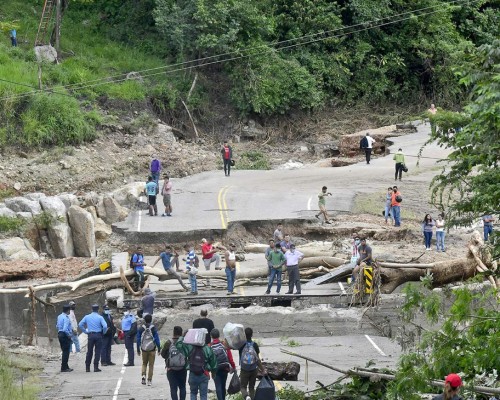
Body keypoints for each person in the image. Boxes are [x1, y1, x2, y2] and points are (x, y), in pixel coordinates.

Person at [175, 330, 217, 400]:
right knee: (203, 395)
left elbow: (178, 345)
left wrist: (182, 336)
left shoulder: (190, 347)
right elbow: (213, 362)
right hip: (204, 374)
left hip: (193, 373)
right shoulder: (207, 348)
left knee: (193, 393)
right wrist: (213, 372)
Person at [78, 304, 108, 372]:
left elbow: (80, 324)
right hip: (98, 335)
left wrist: (85, 331)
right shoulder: (100, 317)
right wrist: (104, 332)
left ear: (92, 309)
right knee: (97, 351)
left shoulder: (87, 317)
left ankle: (87, 367)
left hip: (90, 335)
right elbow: (105, 326)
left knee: (89, 351)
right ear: (98, 309)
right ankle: (95, 367)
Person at [239, 327, 266, 400]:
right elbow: (257, 359)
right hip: (254, 369)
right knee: (251, 387)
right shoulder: (255, 345)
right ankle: (251, 398)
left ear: (244, 335)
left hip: (244, 369)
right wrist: (262, 370)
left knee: (242, 386)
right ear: (252, 335)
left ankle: (246, 397)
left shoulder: (241, 345)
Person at [162, 326, 188, 400]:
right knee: (182, 387)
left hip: (171, 369)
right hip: (182, 368)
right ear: (181, 333)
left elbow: (163, 354)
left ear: (173, 333)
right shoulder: (184, 342)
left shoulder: (169, 342)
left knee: (173, 388)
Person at [209, 328, 236, 400]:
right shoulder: (224, 344)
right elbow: (230, 358)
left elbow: (208, 359)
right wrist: (233, 367)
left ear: (211, 336)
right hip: (225, 368)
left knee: (218, 386)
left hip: (215, 369)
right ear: (219, 335)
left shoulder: (209, 346)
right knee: (223, 386)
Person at [137, 313, 161, 386]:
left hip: (144, 348)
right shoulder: (153, 328)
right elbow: (156, 339)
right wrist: (159, 348)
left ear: (144, 320)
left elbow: (138, 339)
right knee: (151, 365)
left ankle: (143, 376)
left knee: (144, 363)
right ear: (151, 320)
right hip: (152, 349)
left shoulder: (141, 328)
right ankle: (149, 380)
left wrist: (138, 349)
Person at [56, 304, 73, 372]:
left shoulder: (59, 316)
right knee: (66, 352)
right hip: (64, 335)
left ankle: (66, 366)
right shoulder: (66, 318)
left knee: (64, 351)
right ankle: (64, 367)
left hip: (60, 334)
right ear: (68, 310)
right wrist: (69, 335)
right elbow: (65, 329)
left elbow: (57, 326)